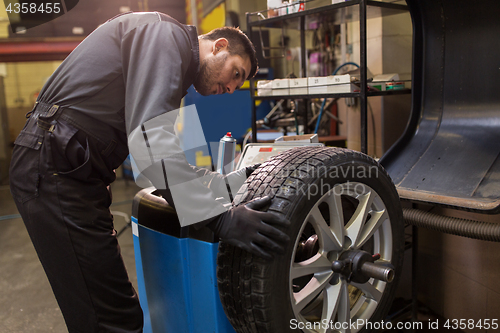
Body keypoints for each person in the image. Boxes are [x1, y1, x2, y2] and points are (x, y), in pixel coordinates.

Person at [9, 11, 290, 333]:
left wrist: (228, 182)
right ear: (219, 46)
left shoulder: (170, 60)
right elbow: (151, 145)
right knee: (109, 318)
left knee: (106, 310)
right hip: (55, 169)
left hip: (70, 172)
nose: (230, 88)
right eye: (235, 73)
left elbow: (164, 152)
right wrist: (220, 218)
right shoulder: (164, 36)